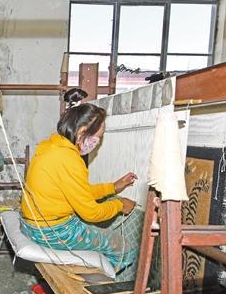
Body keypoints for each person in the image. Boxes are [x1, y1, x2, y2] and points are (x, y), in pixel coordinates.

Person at [20, 103, 143, 279]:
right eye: (98, 137)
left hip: (32, 226)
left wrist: (113, 188)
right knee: (124, 248)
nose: (97, 142)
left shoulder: (50, 147)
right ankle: (99, 283)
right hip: (52, 233)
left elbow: (78, 192)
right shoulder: (69, 159)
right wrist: (119, 205)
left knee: (91, 232)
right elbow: (91, 213)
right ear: (82, 132)